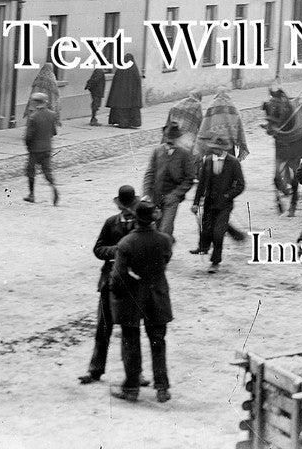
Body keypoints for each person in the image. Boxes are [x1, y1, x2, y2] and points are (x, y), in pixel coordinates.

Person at [110, 202, 173, 403]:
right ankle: (162, 388)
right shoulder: (165, 240)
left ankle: (132, 389)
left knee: (131, 343)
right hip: (158, 296)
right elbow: (165, 261)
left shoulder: (126, 243)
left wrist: (118, 293)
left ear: (136, 219)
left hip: (133, 299)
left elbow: (118, 276)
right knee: (158, 343)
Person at [79, 185, 139, 386]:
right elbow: (97, 249)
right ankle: (95, 370)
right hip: (109, 283)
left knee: (130, 332)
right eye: (125, 209)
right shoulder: (110, 223)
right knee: (102, 328)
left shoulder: (142, 225)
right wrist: (117, 251)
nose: (128, 213)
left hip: (131, 284)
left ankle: (135, 374)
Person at [191, 134, 246, 273]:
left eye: (216, 148)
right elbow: (201, 184)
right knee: (207, 230)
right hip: (209, 204)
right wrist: (196, 203)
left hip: (225, 205)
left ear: (222, 148)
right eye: (213, 147)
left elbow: (241, 184)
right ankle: (205, 246)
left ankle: (215, 262)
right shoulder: (208, 161)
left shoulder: (233, 162)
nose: (213, 150)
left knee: (218, 233)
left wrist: (228, 195)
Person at [143, 125, 196, 238]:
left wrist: (176, 194)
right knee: (154, 227)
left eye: (174, 138)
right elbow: (150, 173)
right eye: (168, 137)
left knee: (165, 228)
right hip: (155, 196)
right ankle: (164, 248)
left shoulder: (184, 154)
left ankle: (164, 250)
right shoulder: (157, 151)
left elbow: (190, 178)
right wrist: (146, 193)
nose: (170, 140)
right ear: (165, 137)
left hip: (172, 198)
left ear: (178, 138)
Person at [23, 91, 59, 205]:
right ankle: (53, 187)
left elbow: (28, 136)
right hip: (47, 148)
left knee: (30, 171)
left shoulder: (33, 117)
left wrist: (28, 146)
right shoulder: (52, 114)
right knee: (47, 170)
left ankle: (31, 194)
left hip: (34, 149)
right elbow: (54, 132)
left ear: (36, 103)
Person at [196, 87, 249, 162]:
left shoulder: (212, 106)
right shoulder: (232, 107)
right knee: (229, 169)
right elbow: (239, 128)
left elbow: (205, 126)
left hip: (212, 147)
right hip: (228, 147)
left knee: (211, 171)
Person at [106, 54, 143, 129]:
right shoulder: (134, 69)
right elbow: (137, 82)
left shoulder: (120, 69)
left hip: (121, 96)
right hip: (131, 96)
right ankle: (132, 123)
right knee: (131, 109)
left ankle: (122, 123)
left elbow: (116, 82)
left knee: (121, 109)